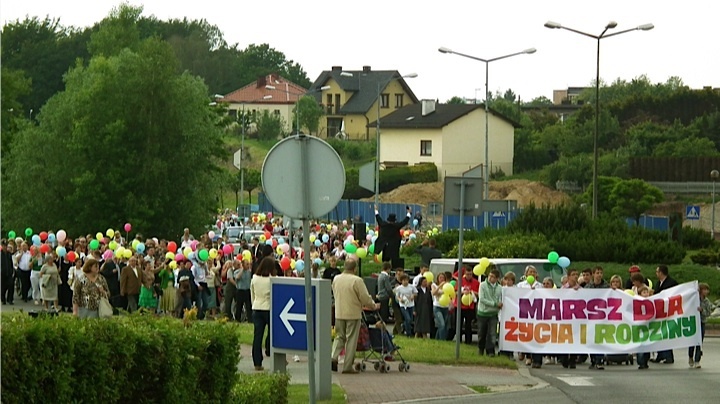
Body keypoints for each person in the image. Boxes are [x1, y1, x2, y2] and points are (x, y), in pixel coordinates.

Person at [330, 259, 378, 373]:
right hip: (353, 313)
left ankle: (333, 357)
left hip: (339, 312)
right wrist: (373, 305)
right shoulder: (357, 280)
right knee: (351, 339)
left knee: (339, 336)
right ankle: (347, 366)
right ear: (354, 268)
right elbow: (364, 297)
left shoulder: (336, 278)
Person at [250, 257, 275, 371]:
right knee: (272, 334)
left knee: (257, 336)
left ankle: (257, 362)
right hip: (268, 308)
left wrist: (254, 304)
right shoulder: (272, 279)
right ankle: (271, 352)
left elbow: (252, 294)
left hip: (257, 306)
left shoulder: (254, 278)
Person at [517, 265, 543, 367]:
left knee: (537, 337)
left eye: (534, 272)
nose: (532, 274)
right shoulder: (520, 285)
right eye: (530, 272)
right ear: (526, 274)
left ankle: (537, 360)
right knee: (527, 336)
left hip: (537, 315)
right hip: (525, 314)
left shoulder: (540, 286)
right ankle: (527, 355)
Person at [653, 265, 678, 364]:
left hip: (668, 312)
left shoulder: (671, 283)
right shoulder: (658, 283)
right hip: (660, 312)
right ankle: (660, 355)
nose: (656, 273)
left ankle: (668, 356)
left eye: (657, 271)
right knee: (660, 334)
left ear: (661, 273)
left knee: (666, 334)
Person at [583, 266, 608, 370]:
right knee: (591, 339)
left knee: (599, 339)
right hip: (590, 317)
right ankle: (593, 360)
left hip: (602, 317)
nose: (599, 275)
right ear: (593, 274)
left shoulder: (606, 287)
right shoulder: (588, 287)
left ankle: (599, 360)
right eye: (597, 273)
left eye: (601, 273)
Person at [477, 268, 503, 357]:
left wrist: (499, 304)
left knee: (492, 333)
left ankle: (490, 351)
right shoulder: (483, 285)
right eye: (489, 276)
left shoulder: (499, 288)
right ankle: (481, 348)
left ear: (496, 278)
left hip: (493, 314)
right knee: (482, 332)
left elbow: (500, 298)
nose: (490, 278)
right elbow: (482, 299)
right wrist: (495, 304)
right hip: (483, 313)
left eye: (492, 277)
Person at [689, 283, 714, 369]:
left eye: (707, 290)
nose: (706, 292)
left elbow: (708, 313)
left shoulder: (706, 302)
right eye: (705, 290)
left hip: (702, 322)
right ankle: (690, 356)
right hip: (693, 323)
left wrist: (702, 310)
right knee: (692, 341)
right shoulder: (695, 299)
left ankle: (697, 360)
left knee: (699, 342)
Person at [456, 266, 479, 345]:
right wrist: (463, 292)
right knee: (459, 323)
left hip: (470, 306)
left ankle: (468, 341)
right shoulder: (460, 281)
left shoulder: (476, 282)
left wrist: (471, 292)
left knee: (468, 325)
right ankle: (458, 341)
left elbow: (479, 294)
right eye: (467, 274)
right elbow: (455, 292)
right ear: (465, 274)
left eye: (470, 274)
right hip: (460, 306)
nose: (469, 276)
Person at [431, 273, 450, 341]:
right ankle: (443, 340)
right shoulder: (434, 285)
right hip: (437, 306)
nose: (442, 279)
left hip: (445, 307)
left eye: (443, 278)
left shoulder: (447, 286)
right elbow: (434, 293)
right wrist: (440, 286)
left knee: (443, 326)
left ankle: (437, 340)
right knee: (442, 324)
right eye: (440, 278)